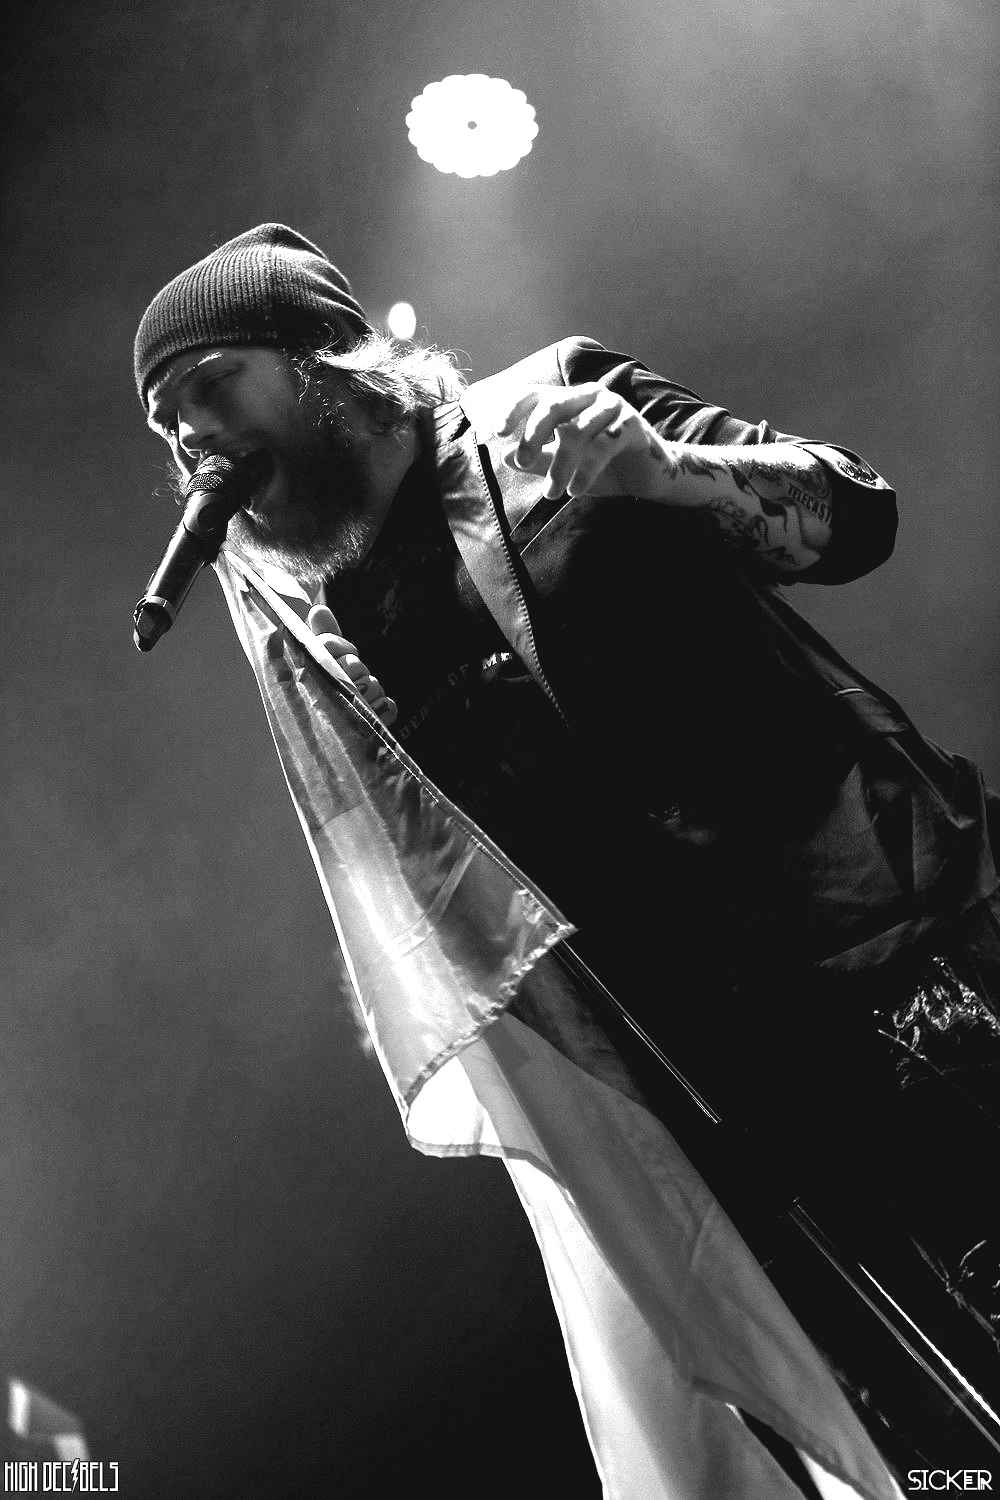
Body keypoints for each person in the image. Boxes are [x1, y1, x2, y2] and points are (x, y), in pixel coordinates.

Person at [133, 224, 1000, 1476]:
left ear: (322, 358)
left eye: (212, 383)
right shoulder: (340, 633)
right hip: (731, 1071)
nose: (192, 437)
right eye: (167, 425)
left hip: (901, 940)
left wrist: (674, 476)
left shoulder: (550, 406)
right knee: (932, 1428)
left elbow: (857, 514)